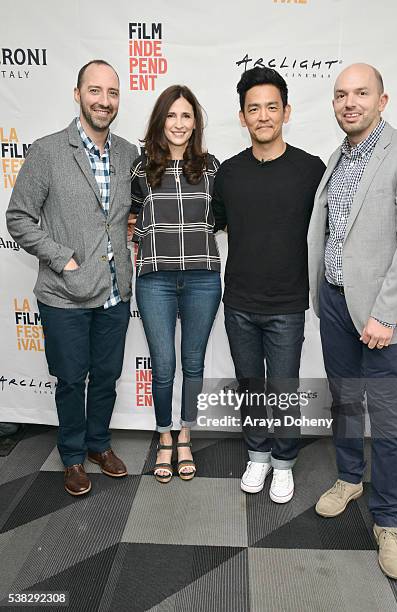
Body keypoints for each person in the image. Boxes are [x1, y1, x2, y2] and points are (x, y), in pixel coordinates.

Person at [308, 63, 397, 579]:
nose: (350, 103)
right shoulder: (338, 157)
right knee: (344, 399)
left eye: (361, 93)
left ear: (383, 100)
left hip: (385, 312)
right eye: (341, 95)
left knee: (387, 417)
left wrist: (385, 314)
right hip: (336, 304)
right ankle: (349, 478)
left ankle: (387, 521)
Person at [6, 60, 138, 496]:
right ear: (78, 93)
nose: (104, 101)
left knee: (106, 375)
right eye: (95, 91)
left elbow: (121, 216)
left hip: (116, 290)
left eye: (112, 93)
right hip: (64, 293)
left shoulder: (127, 154)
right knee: (70, 378)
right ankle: (73, 456)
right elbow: (19, 218)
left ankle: (100, 444)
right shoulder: (47, 151)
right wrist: (63, 259)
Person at [212, 67, 325, 504]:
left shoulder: (310, 170)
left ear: (286, 112)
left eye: (271, 107)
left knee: (283, 387)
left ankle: (283, 463)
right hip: (238, 300)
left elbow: (330, 229)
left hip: (286, 304)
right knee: (249, 384)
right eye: (253, 108)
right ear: (242, 117)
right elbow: (214, 223)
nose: (263, 116)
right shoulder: (230, 173)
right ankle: (257, 455)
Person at [130, 85, 221, 483]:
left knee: (194, 363)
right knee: (163, 365)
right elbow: (131, 219)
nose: (179, 124)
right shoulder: (141, 168)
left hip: (202, 278)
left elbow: (222, 219)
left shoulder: (212, 167)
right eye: (172, 115)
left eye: (186, 116)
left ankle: (186, 434)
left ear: (195, 123)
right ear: (160, 120)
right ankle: (164, 435)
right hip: (155, 281)